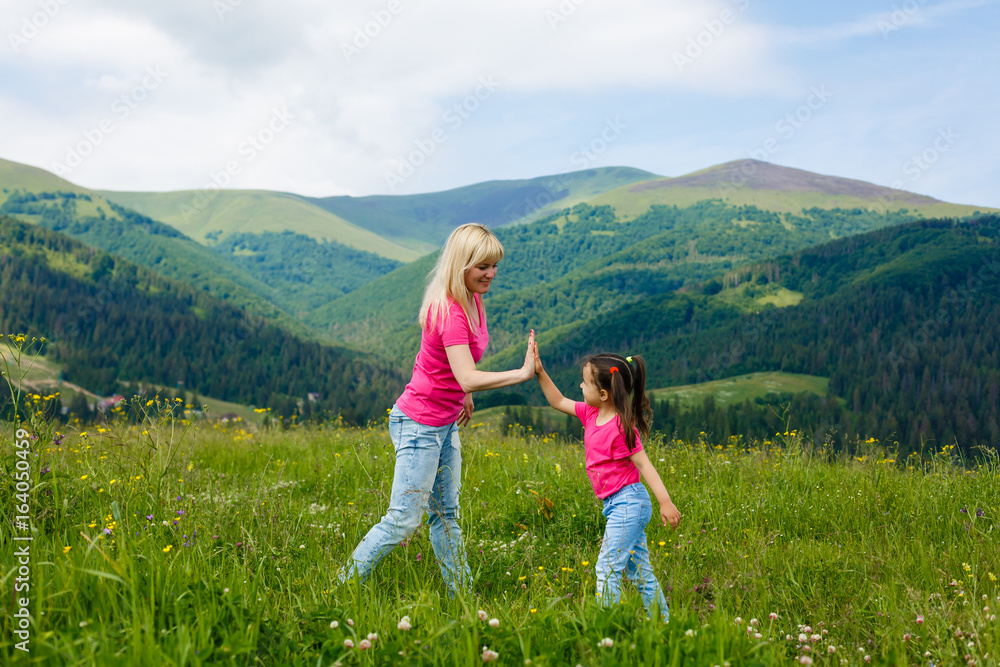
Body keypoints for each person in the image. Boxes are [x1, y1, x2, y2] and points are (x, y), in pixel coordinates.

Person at [340, 223, 536, 595]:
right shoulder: (450, 311)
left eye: (494, 265)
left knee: (446, 516)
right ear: (462, 264)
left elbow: (447, 363)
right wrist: (522, 373)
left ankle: (462, 597)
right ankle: (342, 586)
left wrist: (463, 394)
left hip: (444, 422)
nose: (491, 274)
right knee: (402, 520)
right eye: (483, 266)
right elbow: (467, 374)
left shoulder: (472, 297)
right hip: (419, 423)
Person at [533, 349, 681, 621]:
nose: (580, 386)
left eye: (585, 383)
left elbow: (644, 465)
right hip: (617, 505)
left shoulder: (622, 427)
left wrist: (665, 502)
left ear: (603, 394)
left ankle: (607, 626)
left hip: (629, 503)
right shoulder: (591, 413)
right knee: (639, 571)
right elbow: (558, 400)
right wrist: (540, 371)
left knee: (607, 568)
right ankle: (663, 623)